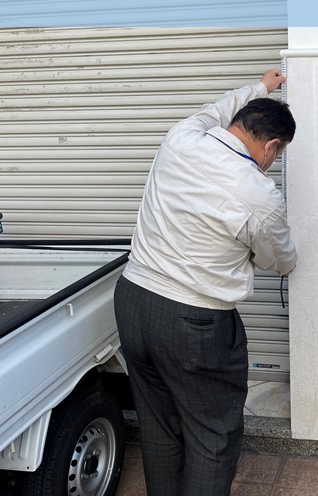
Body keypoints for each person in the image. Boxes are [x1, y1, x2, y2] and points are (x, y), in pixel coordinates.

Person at [114, 69, 297, 496]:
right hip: (193, 323)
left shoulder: (181, 138)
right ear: (272, 146)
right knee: (213, 436)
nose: (273, 162)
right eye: (278, 155)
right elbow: (281, 260)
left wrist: (261, 87)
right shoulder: (259, 193)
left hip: (133, 300)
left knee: (159, 425)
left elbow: (215, 108)